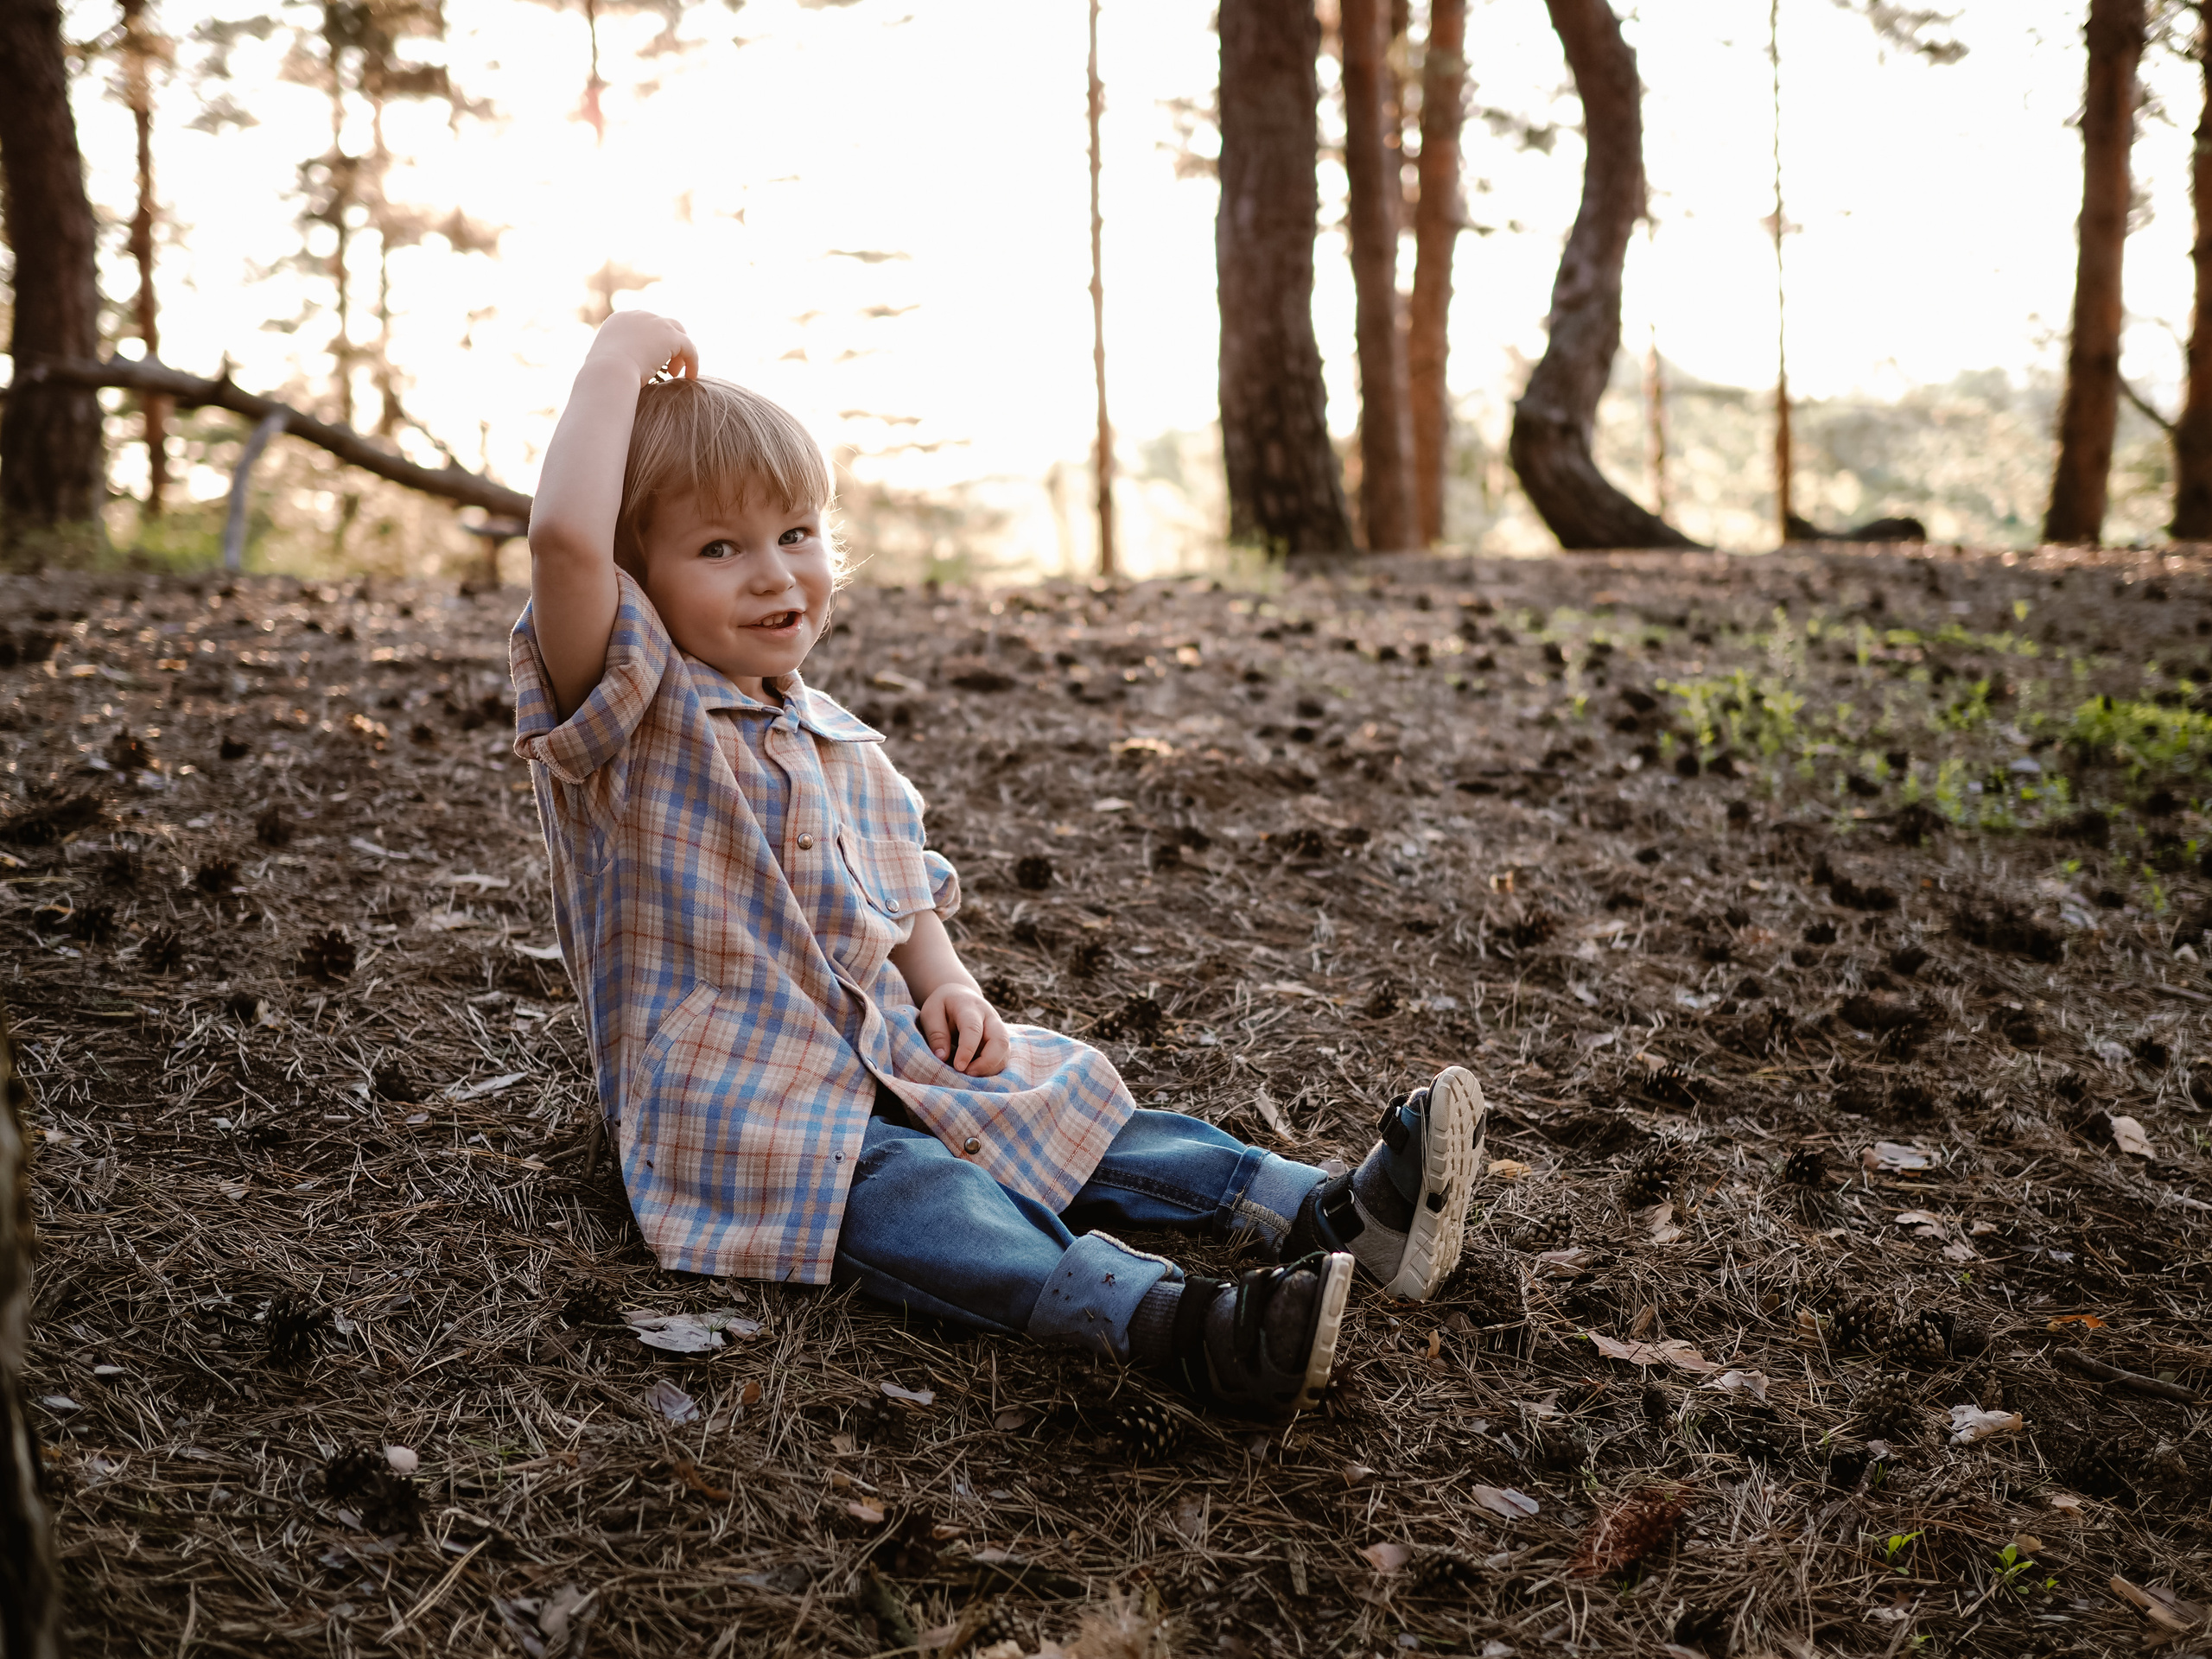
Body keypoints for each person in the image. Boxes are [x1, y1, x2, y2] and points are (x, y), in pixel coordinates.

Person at [512, 310, 1491, 1420]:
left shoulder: (834, 736)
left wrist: (948, 985)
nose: (774, 573)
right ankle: (1167, 1324)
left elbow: (896, 888)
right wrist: (616, 354)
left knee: (1051, 1095)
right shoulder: (630, 708)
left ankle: (1331, 1213)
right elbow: (563, 544)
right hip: (739, 1099)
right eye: (718, 547)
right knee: (912, 1194)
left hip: (877, 1048)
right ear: (639, 577)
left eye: (796, 534)